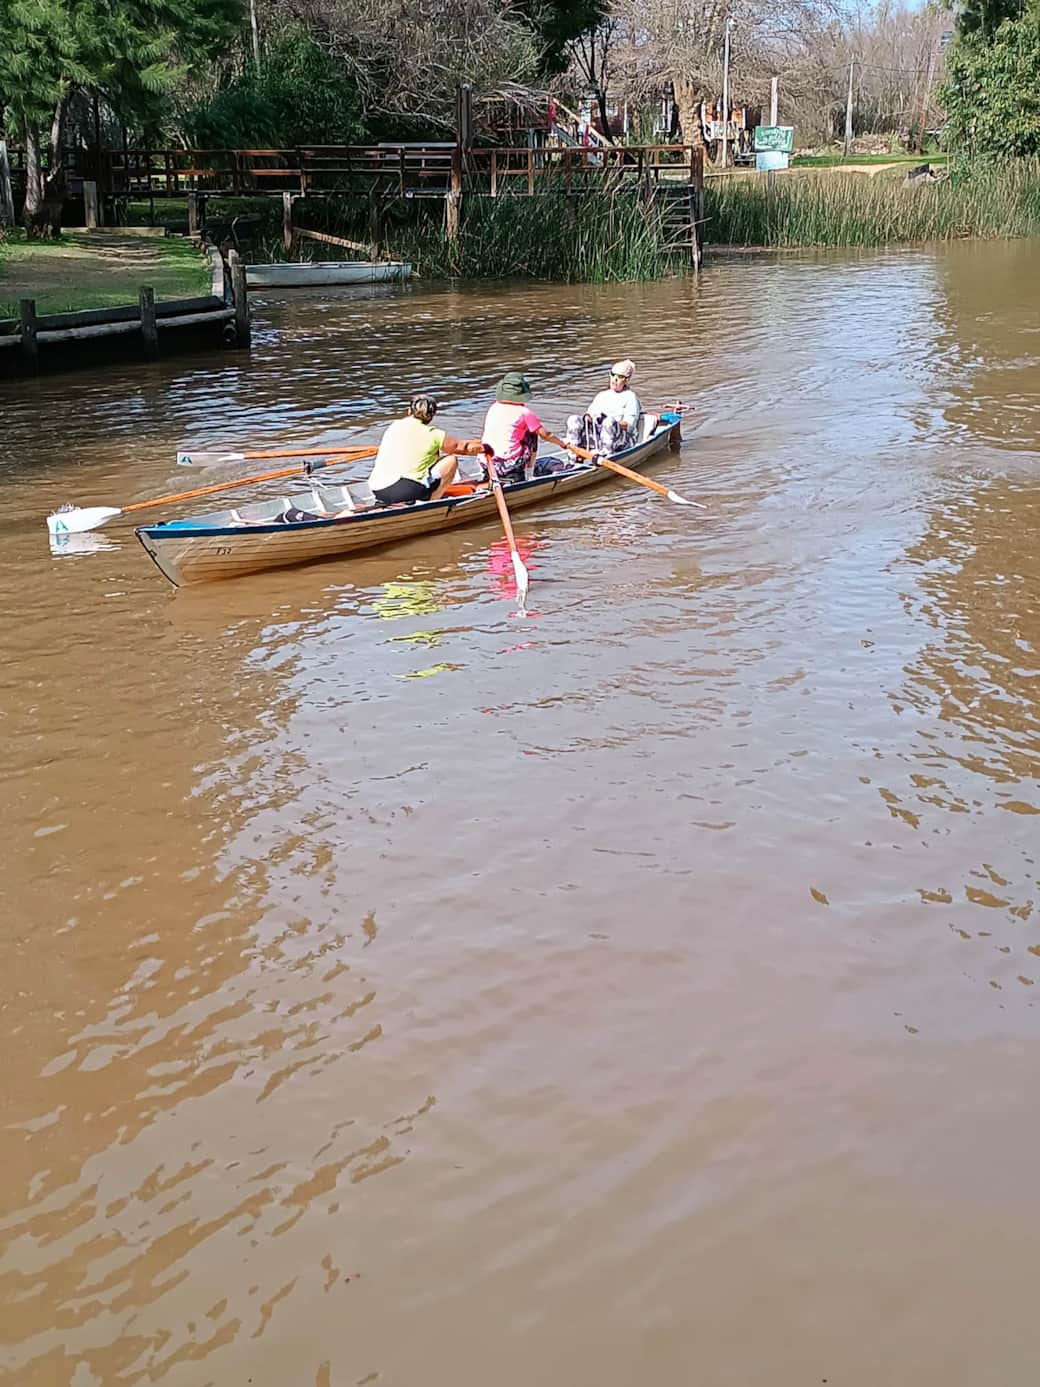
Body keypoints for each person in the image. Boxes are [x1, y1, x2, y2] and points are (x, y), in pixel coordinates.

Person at [367, 395, 485, 506]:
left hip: (377, 489)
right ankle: (433, 502)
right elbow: (462, 448)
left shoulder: (394, 426)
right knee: (451, 460)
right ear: (433, 415)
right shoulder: (435, 435)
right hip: (405, 491)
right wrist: (486, 447)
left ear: (409, 411)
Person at [482, 371, 573, 484]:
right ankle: (529, 472)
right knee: (532, 434)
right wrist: (563, 444)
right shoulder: (524, 412)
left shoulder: (493, 407)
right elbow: (546, 435)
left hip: (486, 462)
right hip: (510, 465)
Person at [566, 359, 643, 455]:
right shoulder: (601, 395)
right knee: (573, 419)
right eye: (612, 374)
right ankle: (574, 456)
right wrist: (588, 417)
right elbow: (589, 416)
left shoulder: (630, 397)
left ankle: (607, 456)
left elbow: (629, 425)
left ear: (626, 380)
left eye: (619, 377)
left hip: (623, 440)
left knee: (609, 422)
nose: (614, 380)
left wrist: (607, 421)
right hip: (598, 435)